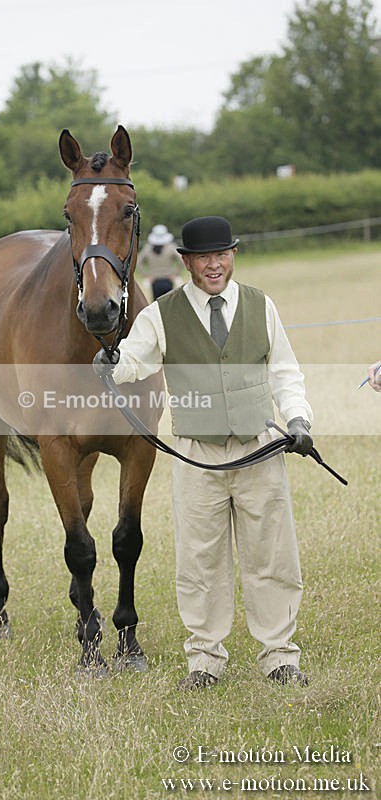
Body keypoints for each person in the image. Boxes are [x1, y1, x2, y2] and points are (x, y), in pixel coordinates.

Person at [94, 215, 314, 689]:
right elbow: (135, 359)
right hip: (199, 456)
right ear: (187, 262)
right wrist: (113, 360)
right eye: (203, 257)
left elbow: (285, 372)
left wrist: (297, 420)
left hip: (259, 450)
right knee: (199, 560)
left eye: (222, 254)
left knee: (272, 555)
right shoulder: (161, 314)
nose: (214, 265)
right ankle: (205, 660)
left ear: (233, 255)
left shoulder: (261, 306)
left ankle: (280, 654)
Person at [139, 224, 181, 300]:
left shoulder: (147, 248)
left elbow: (138, 261)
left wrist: (146, 275)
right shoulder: (171, 247)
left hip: (154, 280)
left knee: (156, 303)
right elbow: (181, 259)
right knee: (169, 302)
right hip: (168, 278)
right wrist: (176, 273)